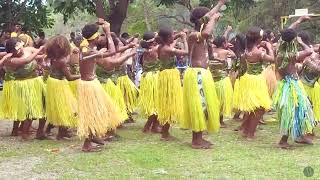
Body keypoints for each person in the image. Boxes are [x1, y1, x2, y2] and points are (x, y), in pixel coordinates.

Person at [181, 0, 226, 149]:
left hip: (202, 74)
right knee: (199, 105)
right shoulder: (195, 35)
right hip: (197, 74)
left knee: (203, 105)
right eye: (207, 19)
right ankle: (196, 140)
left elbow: (206, 25)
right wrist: (213, 19)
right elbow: (206, 31)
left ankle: (199, 137)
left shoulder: (199, 35)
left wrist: (220, 4)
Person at [78, 20, 122, 152]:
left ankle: (93, 136)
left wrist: (97, 23)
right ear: (96, 37)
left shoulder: (86, 48)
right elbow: (112, 52)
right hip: (89, 86)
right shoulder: (88, 51)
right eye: (100, 35)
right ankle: (87, 145)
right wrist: (108, 33)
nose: (101, 37)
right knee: (91, 113)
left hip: (91, 83)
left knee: (96, 111)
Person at [274, 27, 316, 149]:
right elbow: (309, 51)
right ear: (293, 41)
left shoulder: (279, 52)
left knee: (300, 109)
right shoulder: (291, 55)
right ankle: (283, 140)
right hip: (291, 85)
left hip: (287, 84)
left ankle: (300, 136)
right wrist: (301, 42)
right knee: (292, 111)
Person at [233, 27, 274, 140]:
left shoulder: (247, 49)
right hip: (256, 80)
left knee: (253, 106)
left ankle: (246, 131)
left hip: (248, 79)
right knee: (260, 107)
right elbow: (272, 59)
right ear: (259, 39)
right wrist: (269, 47)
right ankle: (250, 134)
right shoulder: (258, 52)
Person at [1, 38, 46, 140]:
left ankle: (37, 132)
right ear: (11, 51)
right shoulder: (10, 60)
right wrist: (39, 50)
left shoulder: (28, 49)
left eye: (20, 47)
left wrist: (45, 52)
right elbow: (27, 60)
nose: (20, 50)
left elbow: (39, 55)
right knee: (28, 111)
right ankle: (24, 133)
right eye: (16, 49)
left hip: (35, 82)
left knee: (41, 107)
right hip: (23, 86)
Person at [45, 35, 80, 140]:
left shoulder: (53, 58)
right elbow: (69, 77)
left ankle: (62, 132)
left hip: (53, 83)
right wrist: (82, 75)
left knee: (61, 108)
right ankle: (60, 134)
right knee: (67, 108)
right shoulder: (61, 61)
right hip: (58, 85)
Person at [157, 27, 188, 140]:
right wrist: (184, 39)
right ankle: (165, 133)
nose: (173, 37)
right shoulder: (167, 49)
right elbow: (186, 52)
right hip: (168, 78)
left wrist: (179, 35)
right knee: (169, 103)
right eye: (171, 35)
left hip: (166, 76)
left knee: (168, 103)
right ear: (167, 38)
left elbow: (170, 41)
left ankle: (165, 132)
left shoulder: (161, 46)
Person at [137, 32, 162, 133]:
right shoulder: (155, 49)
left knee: (156, 103)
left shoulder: (145, 52)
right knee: (155, 103)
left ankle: (155, 126)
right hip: (153, 78)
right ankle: (147, 126)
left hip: (147, 78)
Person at [210, 35, 236, 127]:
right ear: (223, 43)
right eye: (225, 42)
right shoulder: (225, 52)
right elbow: (234, 56)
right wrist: (229, 48)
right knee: (222, 101)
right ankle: (219, 121)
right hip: (222, 80)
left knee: (214, 100)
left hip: (211, 79)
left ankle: (214, 119)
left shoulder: (211, 51)